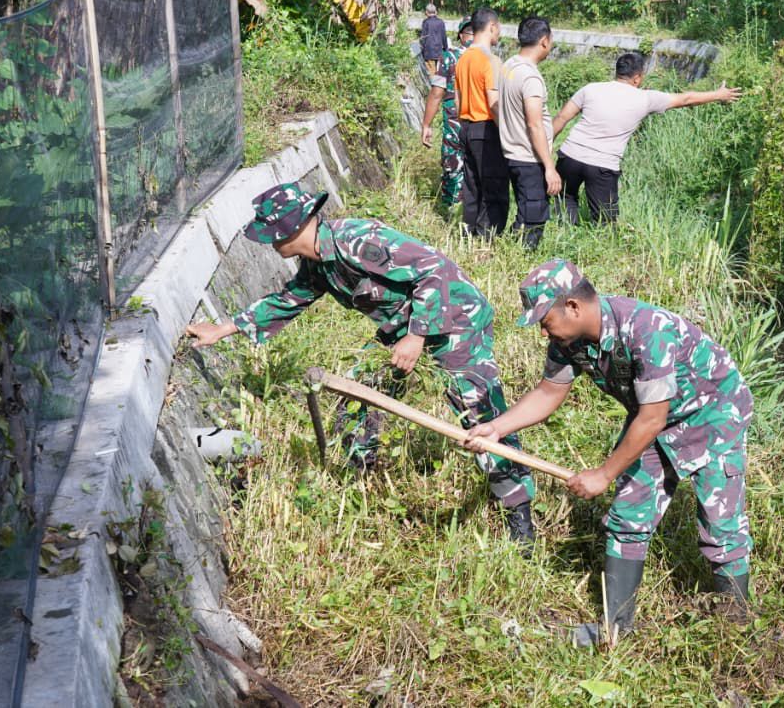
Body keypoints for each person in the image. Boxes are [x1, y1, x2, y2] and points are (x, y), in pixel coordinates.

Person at [185, 182, 537, 544]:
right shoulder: (317, 263)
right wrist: (222, 330)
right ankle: (357, 484)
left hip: (454, 318)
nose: (272, 245)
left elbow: (435, 270)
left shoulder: (358, 240)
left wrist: (417, 336)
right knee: (357, 398)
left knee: (479, 414)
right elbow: (289, 300)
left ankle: (518, 514)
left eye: (274, 235)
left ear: (293, 228)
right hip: (401, 328)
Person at [465, 259, 753, 646]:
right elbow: (549, 392)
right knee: (627, 517)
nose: (542, 330)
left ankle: (737, 627)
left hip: (714, 411)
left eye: (544, 319)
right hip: (654, 418)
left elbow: (651, 419)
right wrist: (497, 428)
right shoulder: (568, 342)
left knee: (721, 525)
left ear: (573, 307)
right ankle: (617, 630)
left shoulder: (645, 329)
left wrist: (603, 473)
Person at [551, 52, 741, 224]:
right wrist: (718, 95)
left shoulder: (590, 89)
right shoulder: (646, 98)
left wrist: (543, 148)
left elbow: (561, 118)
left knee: (565, 198)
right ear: (637, 78)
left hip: (570, 155)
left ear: (616, 72)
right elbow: (686, 99)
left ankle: (565, 234)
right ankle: (590, 252)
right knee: (605, 222)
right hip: (602, 165)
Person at [497, 15, 561, 249]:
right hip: (529, 158)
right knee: (534, 218)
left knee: (524, 212)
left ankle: (508, 254)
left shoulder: (509, 65)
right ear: (544, 41)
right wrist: (550, 167)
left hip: (511, 154)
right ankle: (524, 261)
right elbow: (534, 124)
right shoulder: (531, 77)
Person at [454, 8, 508, 238]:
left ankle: (469, 232)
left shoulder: (463, 58)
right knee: (493, 185)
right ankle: (488, 236)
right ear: (492, 27)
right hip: (486, 127)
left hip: (465, 126)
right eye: (499, 29)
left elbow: (457, 100)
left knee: (472, 184)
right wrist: (507, 132)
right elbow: (494, 102)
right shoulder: (490, 60)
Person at [421, 15, 475, 209]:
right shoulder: (489, 58)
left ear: (461, 35)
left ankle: (452, 209)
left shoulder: (449, 58)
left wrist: (426, 125)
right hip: (482, 126)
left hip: (455, 125)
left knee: (453, 166)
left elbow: (436, 94)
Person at [419, 3, 447, 76]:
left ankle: (433, 86)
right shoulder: (441, 22)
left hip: (429, 51)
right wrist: (446, 48)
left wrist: (422, 50)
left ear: (426, 12)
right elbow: (444, 36)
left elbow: (423, 38)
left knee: (432, 74)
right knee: (439, 72)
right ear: (436, 12)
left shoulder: (426, 22)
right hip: (439, 51)